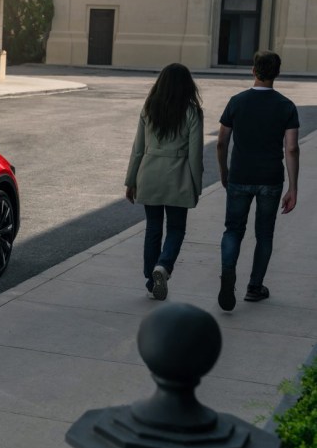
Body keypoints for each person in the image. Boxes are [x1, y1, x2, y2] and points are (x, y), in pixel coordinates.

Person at [217, 50, 299, 311]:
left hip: (240, 175)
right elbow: (292, 148)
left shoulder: (236, 102)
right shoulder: (286, 106)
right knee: (264, 233)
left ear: (253, 71)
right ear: (277, 73)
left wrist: (224, 172)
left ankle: (228, 274)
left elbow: (221, 142)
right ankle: (255, 286)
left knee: (233, 229)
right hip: (270, 179)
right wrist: (293, 187)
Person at [125, 63, 204, 300]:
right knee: (177, 228)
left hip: (149, 174)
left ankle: (151, 279)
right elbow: (195, 154)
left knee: (153, 227)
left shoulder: (149, 108)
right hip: (178, 177)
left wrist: (130, 180)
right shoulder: (191, 111)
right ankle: (164, 266)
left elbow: (138, 148)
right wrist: (196, 185)